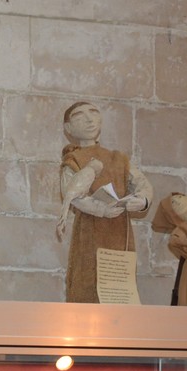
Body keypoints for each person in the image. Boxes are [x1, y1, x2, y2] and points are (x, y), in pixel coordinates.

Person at [56, 102, 150, 303]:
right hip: (89, 233)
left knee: (120, 291)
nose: (89, 119)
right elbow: (71, 194)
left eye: (93, 113)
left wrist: (142, 201)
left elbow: (141, 183)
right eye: (79, 116)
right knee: (87, 284)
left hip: (119, 233)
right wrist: (101, 209)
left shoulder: (118, 158)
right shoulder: (73, 159)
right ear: (68, 129)